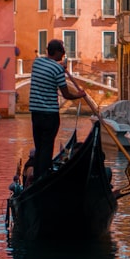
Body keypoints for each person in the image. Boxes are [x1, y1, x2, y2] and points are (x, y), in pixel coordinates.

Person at [29, 39, 86, 180]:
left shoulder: (37, 63)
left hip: (35, 114)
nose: (65, 53)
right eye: (63, 50)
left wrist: (60, 67)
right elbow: (66, 94)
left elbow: (50, 68)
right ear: (58, 52)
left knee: (39, 146)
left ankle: (38, 176)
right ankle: (43, 178)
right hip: (50, 115)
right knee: (47, 148)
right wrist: (78, 95)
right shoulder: (57, 70)